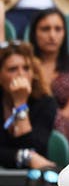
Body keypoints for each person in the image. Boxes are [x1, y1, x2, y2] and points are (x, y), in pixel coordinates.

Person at [28, 9, 69, 149]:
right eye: (45, 29)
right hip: (27, 121)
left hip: (62, 124)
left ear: (64, 33)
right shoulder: (25, 65)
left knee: (61, 124)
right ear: (34, 33)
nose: (52, 35)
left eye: (58, 29)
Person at [0, 41, 57, 170]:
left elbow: (35, 149)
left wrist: (20, 104)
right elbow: (31, 156)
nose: (21, 74)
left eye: (26, 68)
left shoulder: (46, 102)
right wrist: (25, 157)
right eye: (12, 69)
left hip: (32, 181)